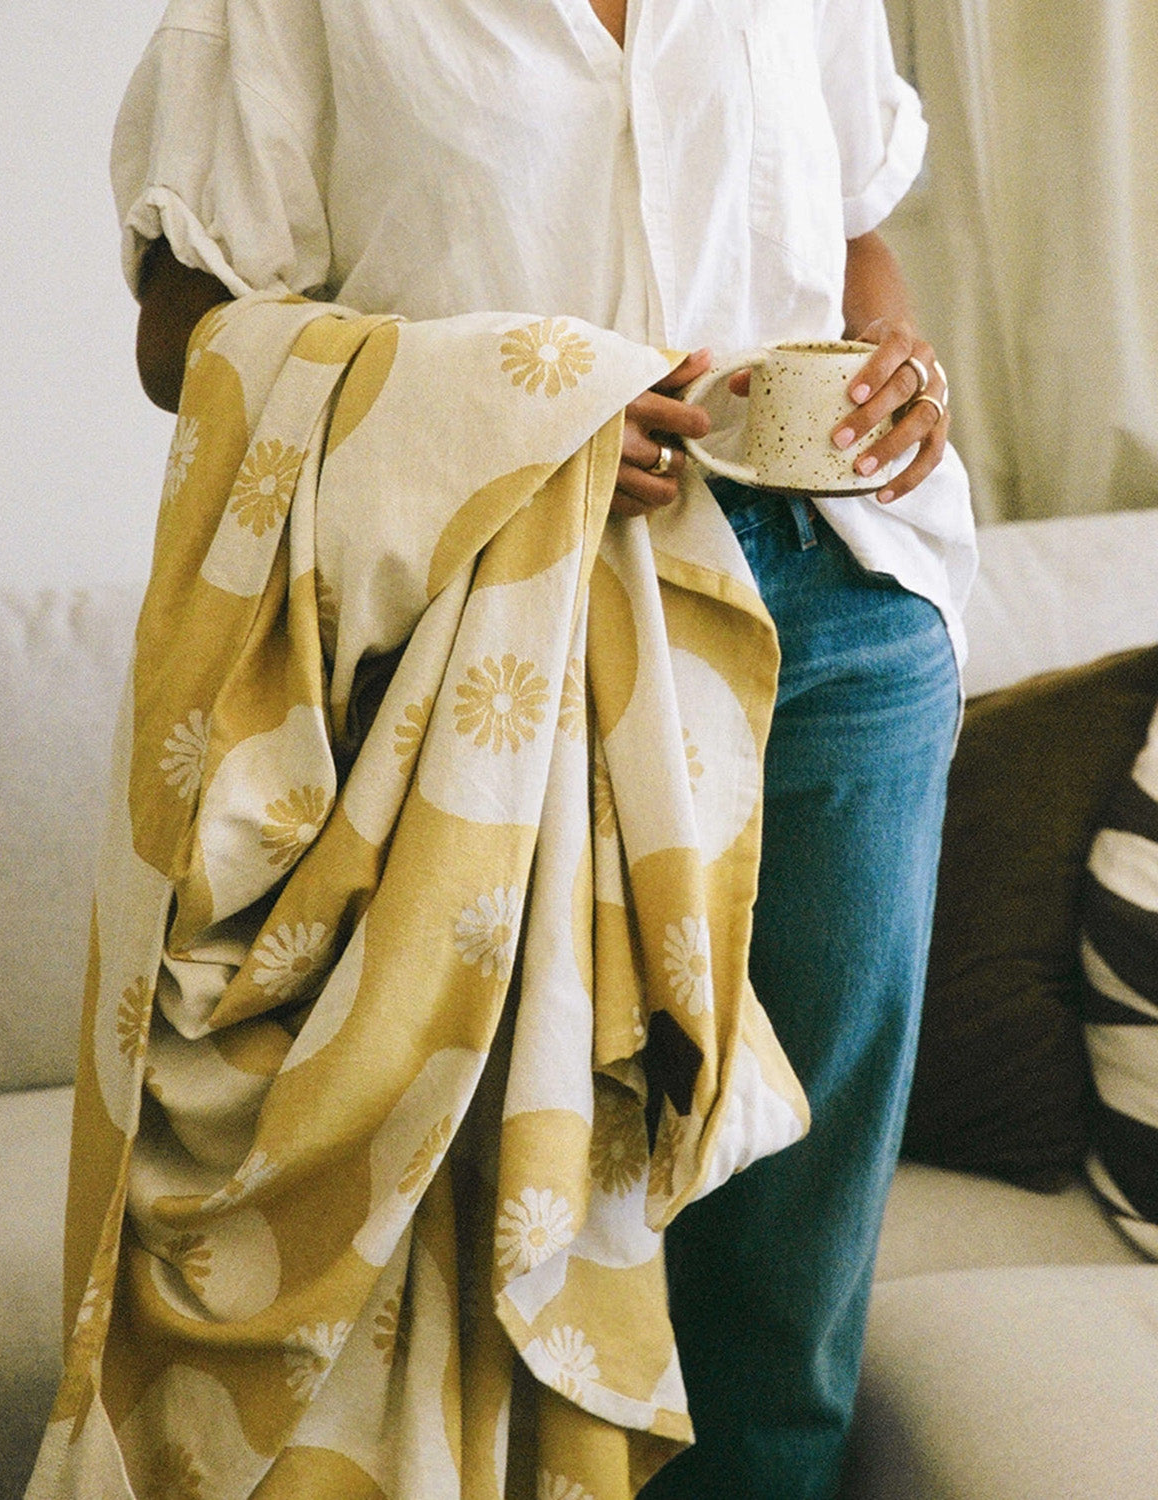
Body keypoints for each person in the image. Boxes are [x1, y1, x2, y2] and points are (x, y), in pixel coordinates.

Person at [111, 2, 977, 1496]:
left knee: (786, 1256)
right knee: (486, 1232)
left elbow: (849, 232)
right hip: (489, 633)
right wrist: (503, 396)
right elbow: (183, 334)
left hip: (834, 614)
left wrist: (888, 346)